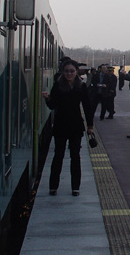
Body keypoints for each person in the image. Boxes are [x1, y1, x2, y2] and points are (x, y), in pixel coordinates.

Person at [42, 59, 94, 197]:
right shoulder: (58, 85)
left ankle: (75, 187)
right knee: (58, 156)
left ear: (76, 72)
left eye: (72, 71)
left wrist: (90, 126)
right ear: (63, 72)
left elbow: (87, 106)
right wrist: (47, 99)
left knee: (75, 157)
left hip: (76, 125)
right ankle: (53, 186)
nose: (69, 74)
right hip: (60, 125)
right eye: (66, 71)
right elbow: (52, 105)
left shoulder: (81, 86)